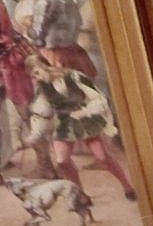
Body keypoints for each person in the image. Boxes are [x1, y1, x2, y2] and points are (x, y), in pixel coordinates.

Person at [25, 52, 135, 199]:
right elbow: (41, 112)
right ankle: (80, 194)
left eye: (37, 73)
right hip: (63, 123)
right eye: (33, 75)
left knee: (102, 157)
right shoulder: (42, 87)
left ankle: (127, 186)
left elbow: (99, 98)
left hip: (84, 119)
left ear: (44, 66)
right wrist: (35, 134)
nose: (36, 78)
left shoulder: (73, 76)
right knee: (62, 161)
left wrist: (85, 111)